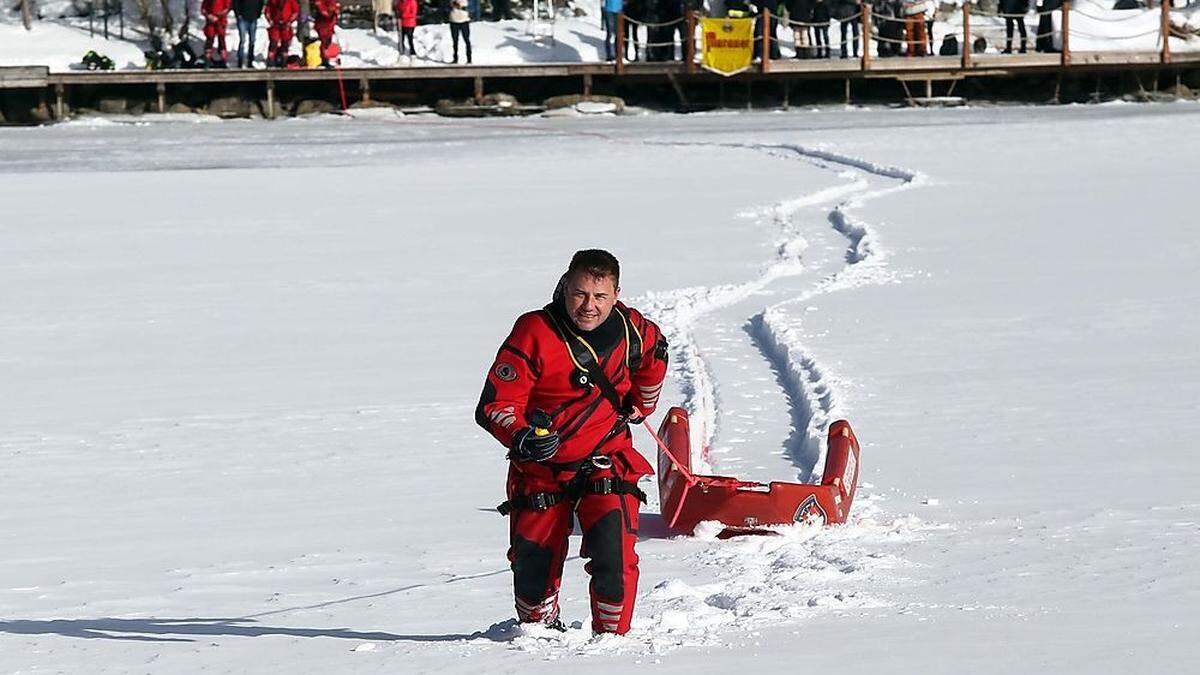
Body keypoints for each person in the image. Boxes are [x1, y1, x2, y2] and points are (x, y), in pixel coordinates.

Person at [476, 249, 669, 635]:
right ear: (565, 286)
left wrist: (642, 404)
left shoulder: (634, 329)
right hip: (541, 471)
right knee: (532, 574)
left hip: (608, 459)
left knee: (614, 561)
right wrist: (522, 436)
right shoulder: (534, 331)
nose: (589, 306)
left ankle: (612, 648)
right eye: (580, 294)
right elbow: (496, 403)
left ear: (616, 294)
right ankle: (539, 640)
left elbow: (655, 356)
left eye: (599, 297)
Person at [265, 0, 300, 67]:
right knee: (273, 43)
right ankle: (270, 61)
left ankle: (284, 62)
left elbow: (296, 11)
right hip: (275, 24)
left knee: (285, 44)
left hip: (286, 25)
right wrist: (270, 20)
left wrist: (290, 21)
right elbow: (267, 11)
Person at [232, 0, 264, 67]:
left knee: (252, 41)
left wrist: (258, 14)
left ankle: (250, 61)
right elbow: (235, 3)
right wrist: (238, 15)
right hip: (242, 18)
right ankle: (240, 62)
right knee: (242, 41)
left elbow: (261, 3)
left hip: (253, 18)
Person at [202, 0, 233, 67]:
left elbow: (227, 8)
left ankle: (223, 60)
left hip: (220, 21)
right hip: (210, 22)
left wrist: (219, 16)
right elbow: (204, 8)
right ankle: (207, 60)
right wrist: (208, 15)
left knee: (221, 40)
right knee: (209, 39)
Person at [312, 0, 340, 67]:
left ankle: (326, 59)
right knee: (324, 42)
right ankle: (324, 59)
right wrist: (329, 12)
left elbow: (335, 8)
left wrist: (335, 11)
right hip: (323, 24)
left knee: (328, 42)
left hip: (329, 24)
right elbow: (321, 8)